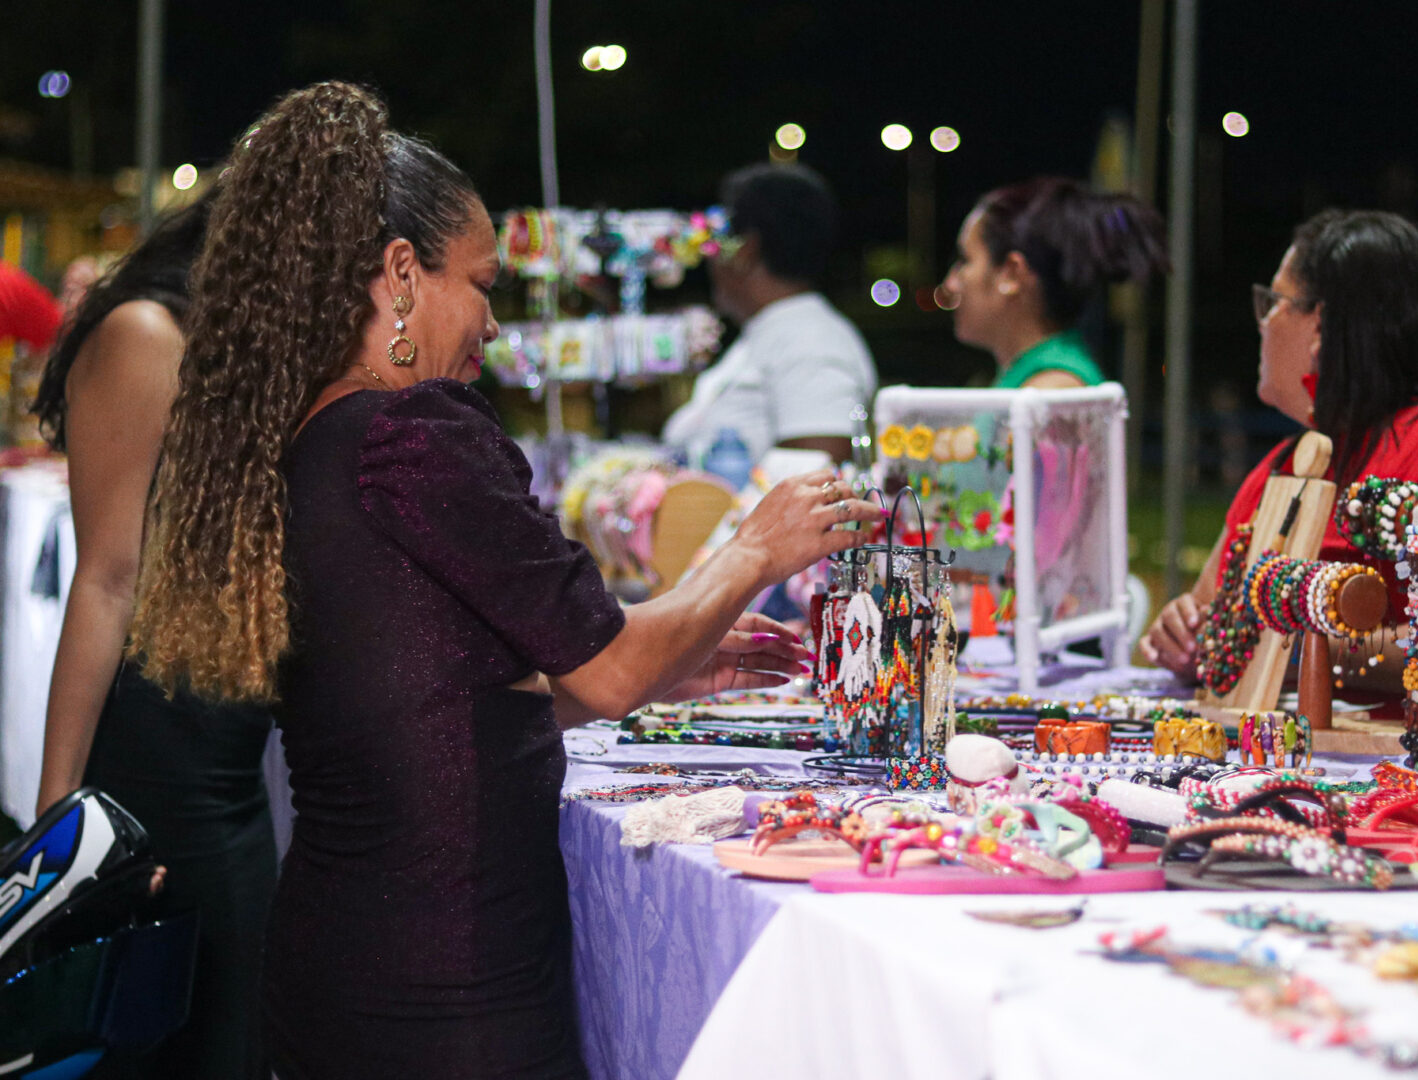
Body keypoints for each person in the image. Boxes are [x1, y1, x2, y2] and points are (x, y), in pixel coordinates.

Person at [124, 82, 885, 1080]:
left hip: (347, 965)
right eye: (483, 285)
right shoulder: (413, 435)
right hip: (445, 987)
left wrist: (672, 656)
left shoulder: (316, 434)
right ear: (402, 274)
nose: (492, 325)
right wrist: (754, 550)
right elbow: (610, 670)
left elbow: (425, 703)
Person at [31, 189, 276, 1080]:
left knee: (224, 1031)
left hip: (229, 756)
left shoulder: (234, 348)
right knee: (170, 1038)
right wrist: (58, 822)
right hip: (161, 758)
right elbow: (106, 578)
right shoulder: (144, 332)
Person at [1139, 209, 1418, 746]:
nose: (1263, 322)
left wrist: (1308, 652)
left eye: (1274, 302)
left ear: (1322, 325)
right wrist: (1183, 635)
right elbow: (1211, 617)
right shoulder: (1286, 464)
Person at [662, 163, 876, 466]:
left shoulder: (810, 340)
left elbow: (820, 477)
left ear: (745, 250)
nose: (708, 258)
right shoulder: (776, 330)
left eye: (714, 239)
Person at [943, 176, 1167, 389]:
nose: (950, 284)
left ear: (1011, 274)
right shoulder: (1028, 374)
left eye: (965, 261)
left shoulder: (1054, 388)